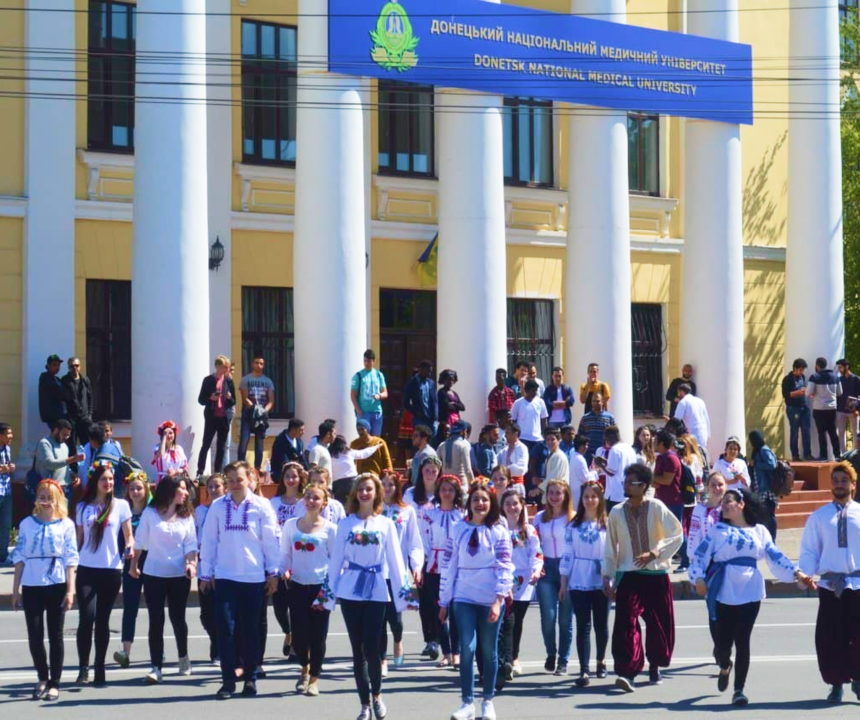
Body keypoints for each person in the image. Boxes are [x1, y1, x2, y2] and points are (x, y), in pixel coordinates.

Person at [691, 487, 810, 707]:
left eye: (729, 501)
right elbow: (699, 556)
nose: (724, 505)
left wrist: (797, 572)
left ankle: (739, 690)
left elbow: (775, 555)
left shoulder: (760, 531)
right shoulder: (717, 531)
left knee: (743, 640)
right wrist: (698, 578)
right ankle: (725, 665)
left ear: (742, 504)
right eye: (723, 502)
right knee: (723, 643)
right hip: (723, 589)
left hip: (751, 591)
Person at [329, 473, 416, 720]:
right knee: (357, 650)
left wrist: (404, 595)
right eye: (361, 489)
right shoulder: (345, 524)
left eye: (369, 489)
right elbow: (335, 562)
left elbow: (397, 563)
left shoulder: (386, 524)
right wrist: (326, 596)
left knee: (372, 647)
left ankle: (377, 694)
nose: (364, 493)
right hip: (350, 591)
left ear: (376, 493)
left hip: (378, 589)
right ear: (355, 493)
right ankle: (364, 704)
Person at [199, 461, 280, 699]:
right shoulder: (216, 506)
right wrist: (206, 573)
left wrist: (273, 572)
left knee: (250, 631)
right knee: (225, 629)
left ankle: (250, 679)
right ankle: (227, 681)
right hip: (225, 577)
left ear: (249, 478)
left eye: (239, 479)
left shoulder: (261, 505)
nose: (235, 484)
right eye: (231, 480)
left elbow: (270, 541)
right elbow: (210, 540)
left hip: (253, 578)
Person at [604, 462, 683, 692]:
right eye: (625, 482)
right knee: (625, 622)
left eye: (631, 482)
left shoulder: (657, 507)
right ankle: (627, 672)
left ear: (644, 485)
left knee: (659, 625)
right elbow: (610, 547)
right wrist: (607, 576)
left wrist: (656, 552)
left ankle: (655, 664)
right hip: (629, 575)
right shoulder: (617, 512)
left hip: (656, 575)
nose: (626, 486)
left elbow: (677, 534)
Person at [440, 481, 514, 720]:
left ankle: (488, 701)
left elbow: (505, 567)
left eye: (484, 499)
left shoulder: (499, 531)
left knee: (489, 650)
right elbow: (448, 564)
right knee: (467, 648)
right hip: (463, 596)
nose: (480, 503)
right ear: (469, 504)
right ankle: (467, 703)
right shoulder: (458, 528)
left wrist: (497, 600)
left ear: (491, 503)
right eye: (475, 499)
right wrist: (444, 600)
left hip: (489, 597)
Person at [798, 461, 860, 704]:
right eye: (835, 481)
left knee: (857, 636)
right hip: (830, 587)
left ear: (853, 485)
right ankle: (836, 684)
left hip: (857, 586)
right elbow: (810, 550)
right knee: (830, 637)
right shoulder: (819, 517)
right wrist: (805, 573)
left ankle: (858, 680)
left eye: (844, 481)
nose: (839, 485)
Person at [11, 479, 78, 701]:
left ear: (58, 499)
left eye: (50, 497)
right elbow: (19, 557)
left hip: (57, 584)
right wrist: (15, 590)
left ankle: (54, 682)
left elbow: (70, 559)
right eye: (42, 496)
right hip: (32, 584)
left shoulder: (66, 525)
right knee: (35, 634)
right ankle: (42, 675)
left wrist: (70, 590)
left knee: (55, 635)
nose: (46, 501)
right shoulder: (27, 524)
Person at [130, 474, 197, 684]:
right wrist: (133, 565)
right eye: (182, 489)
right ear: (169, 491)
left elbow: (191, 544)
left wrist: (191, 564)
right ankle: (156, 666)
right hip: (153, 575)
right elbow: (139, 541)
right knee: (155, 620)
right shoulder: (150, 513)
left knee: (178, 618)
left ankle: (183, 657)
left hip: (179, 576)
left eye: (187, 490)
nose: (186, 493)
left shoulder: (187, 516)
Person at [75, 461, 134, 686]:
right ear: (95, 481)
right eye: (104, 479)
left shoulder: (121, 506)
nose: (108, 482)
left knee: (103, 620)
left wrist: (130, 546)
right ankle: (83, 668)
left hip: (111, 570)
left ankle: (100, 668)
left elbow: (129, 535)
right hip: (87, 569)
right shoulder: (82, 507)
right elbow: (79, 540)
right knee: (86, 617)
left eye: (111, 479)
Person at [279, 482, 338, 697]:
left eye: (316, 498)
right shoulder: (291, 525)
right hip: (297, 585)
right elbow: (284, 554)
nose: (311, 501)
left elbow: (336, 560)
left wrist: (330, 587)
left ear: (323, 503)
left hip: (321, 587)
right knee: (300, 636)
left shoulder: (331, 529)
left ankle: (314, 678)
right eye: (309, 497)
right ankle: (304, 669)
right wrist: (283, 570)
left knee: (318, 636)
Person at [560, 480, 609, 688]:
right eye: (586, 496)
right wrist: (564, 582)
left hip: (601, 578)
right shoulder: (573, 525)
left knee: (601, 623)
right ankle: (584, 669)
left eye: (593, 496)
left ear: (600, 499)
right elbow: (568, 554)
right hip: (579, 578)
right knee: (583, 624)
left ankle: (601, 660)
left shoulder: (607, 525)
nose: (590, 500)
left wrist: (610, 578)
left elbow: (611, 553)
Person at [380, 470, 424, 674]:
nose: (387, 488)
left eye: (391, 484)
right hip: (376, 571)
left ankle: (398, 640)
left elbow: (415, 543)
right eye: (383, 484)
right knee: (378, 616)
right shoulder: (372, 510)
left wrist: (416, 566)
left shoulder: (407, 511)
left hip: (397, 571)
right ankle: (381, 657)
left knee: (395, 617)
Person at [533, 479, 576, 676]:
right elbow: (532, 543)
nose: (554, 496)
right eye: (551, 492)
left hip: (567, 569)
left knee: (566, 620)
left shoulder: (573, 518)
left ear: (565, 495)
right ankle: (551, 652)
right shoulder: (540, 518)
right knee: (548, 617)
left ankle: (563, 661)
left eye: (558, 493)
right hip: (546, 569)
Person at [423, 474, 466, 669]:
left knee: (456, 610)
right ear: (438, 492)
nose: (446, 493)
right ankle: (446, 652)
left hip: (456, 566)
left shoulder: (463, 515)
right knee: (438, 610)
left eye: (450, 489)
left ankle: (457, 652)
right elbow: (424, 539)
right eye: (443, 489)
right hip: (435, 565)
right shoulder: (430, 514)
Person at [500, 488, 543, 679]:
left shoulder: (528, 529)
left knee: (517, 621)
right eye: (508, 504)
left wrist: (535, 570)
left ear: (522, 506)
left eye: (515, 503)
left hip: (524, 581)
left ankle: (514, 657)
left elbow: (537, 553)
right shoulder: (497, 528)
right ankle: (506, 660)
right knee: (505, 620)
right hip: (503, 579)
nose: (512, 507)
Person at [112, 471, 151, 670]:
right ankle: (125, 653)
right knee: (130, 608)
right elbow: (119, 540)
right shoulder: (124, 512)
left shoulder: (153, 511)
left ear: (146, 489)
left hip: (152, 564)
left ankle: (157, 655)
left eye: (139, 488)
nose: (135, 492)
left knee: (156, 610)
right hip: (130, 564)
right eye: (132, 488)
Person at [270, 462, 307, 658]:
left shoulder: (304, 502)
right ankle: (288, 632)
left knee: (297, 606)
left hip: (300, 558)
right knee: (279, 606)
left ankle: (296, 643)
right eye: (287, 476)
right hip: (278, 559)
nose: (291, 480)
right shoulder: (273, 503)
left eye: (294, 476)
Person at [196, 473, 226, 665]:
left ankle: (219, 650)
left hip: (223, 568)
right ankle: (215, 640)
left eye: (217, 486)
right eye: (210, 487)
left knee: (222, 612)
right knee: (206, 614)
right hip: (204, 568)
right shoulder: (200, 511)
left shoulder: (228, 509)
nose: (214, 490)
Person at [652, 430, 688, 570]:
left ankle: (687, 561)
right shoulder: (660, 458)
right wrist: (654, 479)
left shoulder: (671, 458)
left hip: (674, 500)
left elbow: (666, 480)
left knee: (677, 531)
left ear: (661, 443)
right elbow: (656, 481)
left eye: (656, 441)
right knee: (664, 532)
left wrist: (652, 478)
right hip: (662, 500)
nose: (653, 443)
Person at [197, 355, 236, 478]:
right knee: (206, 444)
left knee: (221, 445)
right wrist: (211, 398)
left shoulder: (228, 381)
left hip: (224, 417)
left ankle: (218, 472)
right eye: (225, 367)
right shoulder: (208, 380)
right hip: (211, 416)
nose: (227, 369)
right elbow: (201, 400)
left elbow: (234, 401)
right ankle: (200, 472)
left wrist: (229, 398)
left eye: (228, 367)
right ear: (218, 366)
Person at [238, 354, 275, 471]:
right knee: (244, 441)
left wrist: (263, 411)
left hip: (261, 416)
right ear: (252, 364)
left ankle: (258, 469)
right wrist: (254, 408)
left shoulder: (268, 381)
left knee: (259, 443)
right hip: (248, 413)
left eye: (261, 363)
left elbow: (271, 401)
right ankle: (240, 467)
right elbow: (244, 398)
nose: (259, 365)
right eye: (257, 363)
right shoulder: (245, 379)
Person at [36, 420, 82, 504]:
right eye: (64, 434)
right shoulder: (45, 443)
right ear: (56, 430)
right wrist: (73, 459)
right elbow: (49, 464)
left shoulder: (64, 446)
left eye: (68, 435)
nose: (66, 437)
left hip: (66, 490)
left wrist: (73, 475)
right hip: (50, 490)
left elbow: (64, 467)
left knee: (63, 516)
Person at [594, 425, 638, 513]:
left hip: (615, 494)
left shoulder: (614, 450)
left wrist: (600, 465)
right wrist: (605, 461)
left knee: (614, 523)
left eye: (607, 439)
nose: (606, 442)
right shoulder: (629, 448)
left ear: (611, 437)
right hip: (628, 492)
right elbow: (620, 466)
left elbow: (611, 472)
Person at [330, 434, 383, 505]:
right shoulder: (349, 452)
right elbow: (364, 453)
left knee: (340, 505)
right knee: (354, 504)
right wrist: (376, 447)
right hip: (352, 482)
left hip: (337, 485)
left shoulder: (329, 455)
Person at [807, 357, 842, 461]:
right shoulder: (835, 377)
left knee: (821, 432)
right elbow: (840, 392)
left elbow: (808, 392)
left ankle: (823, 456)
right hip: (831, 408)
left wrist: (814, 394)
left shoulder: (814, 377)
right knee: (832, 432)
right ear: (826, 365)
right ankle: (837, 455)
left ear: (817, 366)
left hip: (819, 409)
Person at [747, 430, 779, 540]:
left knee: (769, 516)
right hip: (759, 488)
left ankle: (772, 539)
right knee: (763, 516)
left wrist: (756, 464)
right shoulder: (757, 450)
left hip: (767, 489)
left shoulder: (764, 450)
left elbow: (772, 464)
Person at [351, 349, 388, 437]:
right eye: (365, 360)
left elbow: (385, 393)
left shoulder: (379, 375)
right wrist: (358, 409)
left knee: (375, 440)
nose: (367, 363)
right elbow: (353, 395)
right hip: (363, 413)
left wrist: (379, 396)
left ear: (373, 361)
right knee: (364, 439)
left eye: (369, 361)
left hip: (376, 412)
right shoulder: (358, 376)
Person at [782, 358, 814, 461]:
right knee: (794, 432)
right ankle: (795, 456)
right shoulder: (787, 379)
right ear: (795, 368)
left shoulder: (803, 377)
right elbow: (786, 394)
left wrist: (807, 393)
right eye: (800, 370)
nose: (802, 372)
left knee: (806, 431)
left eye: (803, 370)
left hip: (804, 407)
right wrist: (799, 392)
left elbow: (803, 390)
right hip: (793, 409)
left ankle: (807, 454)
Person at [62, 357, 93, 451]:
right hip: (72, 419)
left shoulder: (85, 380)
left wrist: (90, 415)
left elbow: (90, 397)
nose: (74, 368)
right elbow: (62, 399)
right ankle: (72, 465)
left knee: (87, 445)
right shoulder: (65, 380)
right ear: (68, 367)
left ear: (80, 366)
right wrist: (66, 415)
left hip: (84, 418)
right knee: (71, 445)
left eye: (77, 365)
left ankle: (88, 464)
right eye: (72, 366)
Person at [577, 393, 616, 465]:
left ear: (602, 402)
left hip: (605, 452)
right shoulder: (585, 418)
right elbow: (580, 435)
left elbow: (615, 435)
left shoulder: (610, 418)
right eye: (593, 401)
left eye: (597, 401)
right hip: (589, 453)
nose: (595, 403)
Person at [673, 383, 711, 454]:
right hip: (703, 432)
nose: (678, 395)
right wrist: (708, 433)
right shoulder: (700, 401)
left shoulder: (683, 402)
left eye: (678, 393)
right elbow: (706, 418)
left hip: (692, 433)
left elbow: (676, 420)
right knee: (702, 454)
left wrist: (669, 429)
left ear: (681, 391)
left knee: (693, 455)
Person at [511, 380, 548, 449]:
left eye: (535, 391)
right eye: (532, 391)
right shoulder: (517, 403)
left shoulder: (541, 402)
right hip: (522, 439)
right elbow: (513, 421)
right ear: (526, 390)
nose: (534, 393)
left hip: (537, 439)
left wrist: (545, 435)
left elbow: (544, 420)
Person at [404, 360, 438, 430]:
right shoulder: (412, 383)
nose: (429, 374)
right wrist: (416, 412)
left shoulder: (431, 383)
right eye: (428, 371)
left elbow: (435, 401)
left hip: (431, 419)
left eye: (430, 372)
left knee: (432, 439)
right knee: (420, 438)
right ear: (421, 369)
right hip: (419, 419)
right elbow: (405, 402)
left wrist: (436, 415)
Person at [440, 420, 475, 487]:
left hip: (446, 483)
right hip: (460, 484)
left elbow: (435, 461)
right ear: (462, 431)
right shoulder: (463, 446)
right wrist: (473, 485)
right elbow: (467, 470)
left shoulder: (443, 445)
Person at [38, 354, 68, 433]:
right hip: (52, 415)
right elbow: (57, 390)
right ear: (48, 365)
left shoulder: (57, 379)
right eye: (54, 365)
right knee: (58, 435)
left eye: (58, 365)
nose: (57, 367)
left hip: (60, 414)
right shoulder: (45, 377)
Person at [836, 358, 860, 454]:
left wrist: (857, 409)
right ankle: (843, 454)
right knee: (841, 433)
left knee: (855, 433)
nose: (839, 370)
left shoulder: (856, 379)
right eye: (838, 368)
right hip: (840, 410)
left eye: (841, 367)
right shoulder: (839, 380)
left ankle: (854, 454)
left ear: (847, 366)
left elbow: (859, 395)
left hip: (853, 411)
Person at [0, 422, 15, 564]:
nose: (11, 436)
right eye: (8, 433)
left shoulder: (8, 449)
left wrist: (10, 468)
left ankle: (2, 555)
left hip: (7, 491)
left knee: (5, 524)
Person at [568, 434, 596, 509]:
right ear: (581, 446)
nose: (587, 447)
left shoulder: (574, 456)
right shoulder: (580, 459)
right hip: (579, 493)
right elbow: (586, 479)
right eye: (585, 445)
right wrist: (596, 472)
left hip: (575, 491)